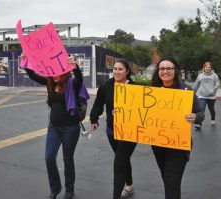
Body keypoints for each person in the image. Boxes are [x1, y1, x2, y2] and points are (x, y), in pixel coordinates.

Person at [22, 55, 89, 199]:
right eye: (52, 73)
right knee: (49, 158)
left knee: (67, 159)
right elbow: (32, 75)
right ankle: (55, 189)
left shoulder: (72, 83)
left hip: (71, 128)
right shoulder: (50, 83)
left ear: (65, 72)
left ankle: (69, 189)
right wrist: (25, 61)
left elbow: (79, 80)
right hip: (54, 127)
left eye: (57, 73)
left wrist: (75, 67)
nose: (54, 76)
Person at [150, 57, 204, 199]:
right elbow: (138, 111)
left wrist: (195, 117)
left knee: (172, 181)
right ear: (158, 71)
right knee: (168, 180)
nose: (165, 71)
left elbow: (200, 113)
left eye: (169, 68)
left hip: (179, 145)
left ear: (175, 71)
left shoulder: (186, 90)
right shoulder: (151, 90)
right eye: (162, 68)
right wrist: (122, 113)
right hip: (158, 144)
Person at [90, 58, 137, 199]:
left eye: (120, 69)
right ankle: (129, 185)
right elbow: (98, 103)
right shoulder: (106, 86)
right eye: (115, 69)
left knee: (119, 162)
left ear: (127, 71)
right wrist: (94, 119)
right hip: (112, 130)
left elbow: (142, 110)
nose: (116, 72)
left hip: (130, 131)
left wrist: (126, 111)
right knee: (123, 159)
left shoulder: (135, 87)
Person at [193, 62, 220, 130]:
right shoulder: (200, 75)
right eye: (206, 67)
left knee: (211, 109)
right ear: (204, 67)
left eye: (209, 67)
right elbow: (196, 84)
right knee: (201, 109)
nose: (207, 68)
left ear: (211, 68)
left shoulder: (214, 75)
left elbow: (217, 84)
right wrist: (193, 92)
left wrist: (212, 91)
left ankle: (213, 119)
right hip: (201, 95)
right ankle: (199, 123)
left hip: (211, 96)